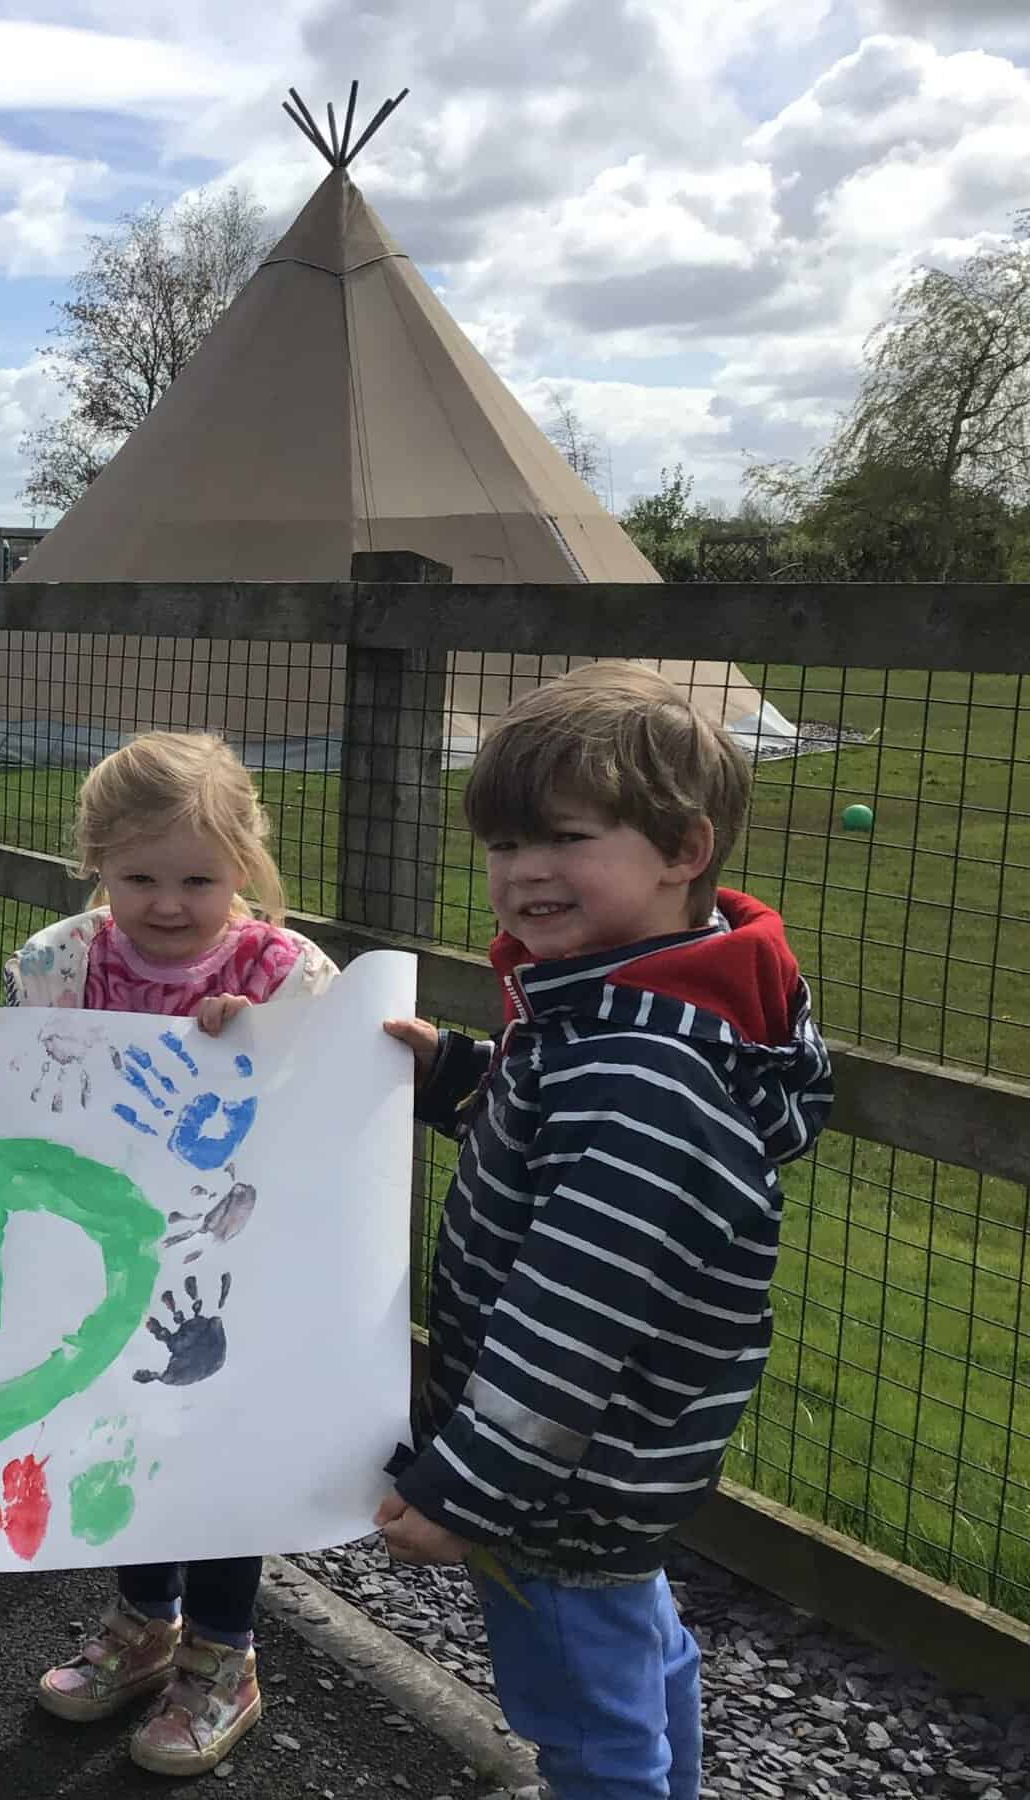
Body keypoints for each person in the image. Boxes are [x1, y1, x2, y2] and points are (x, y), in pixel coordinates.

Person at [376, 662, 834, 1800]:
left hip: (563, 1475)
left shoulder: (635, 1060)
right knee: (636, 1648)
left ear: (683, 848)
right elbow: (566, 1152)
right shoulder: (634, 1005)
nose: (524, 873)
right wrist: (462, 1078)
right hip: (626, 1455)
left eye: (564, 840)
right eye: (502, 846)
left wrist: (467, 1486)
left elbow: (575, 1311)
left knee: (581, 1709)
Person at [0, 729, 336, 1778]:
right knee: (125, 1437)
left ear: (246, 863)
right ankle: (145, 1623)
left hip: (225, 1265)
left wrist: (270, 1048)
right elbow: (21, 1079)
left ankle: (223, 1658)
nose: (170, 902)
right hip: (99, 1259)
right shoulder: (63, 961)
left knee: (219, 1453)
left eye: (200, 878)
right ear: (97, 862)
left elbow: (329, 1107)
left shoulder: (284, 974)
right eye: (139, 876)